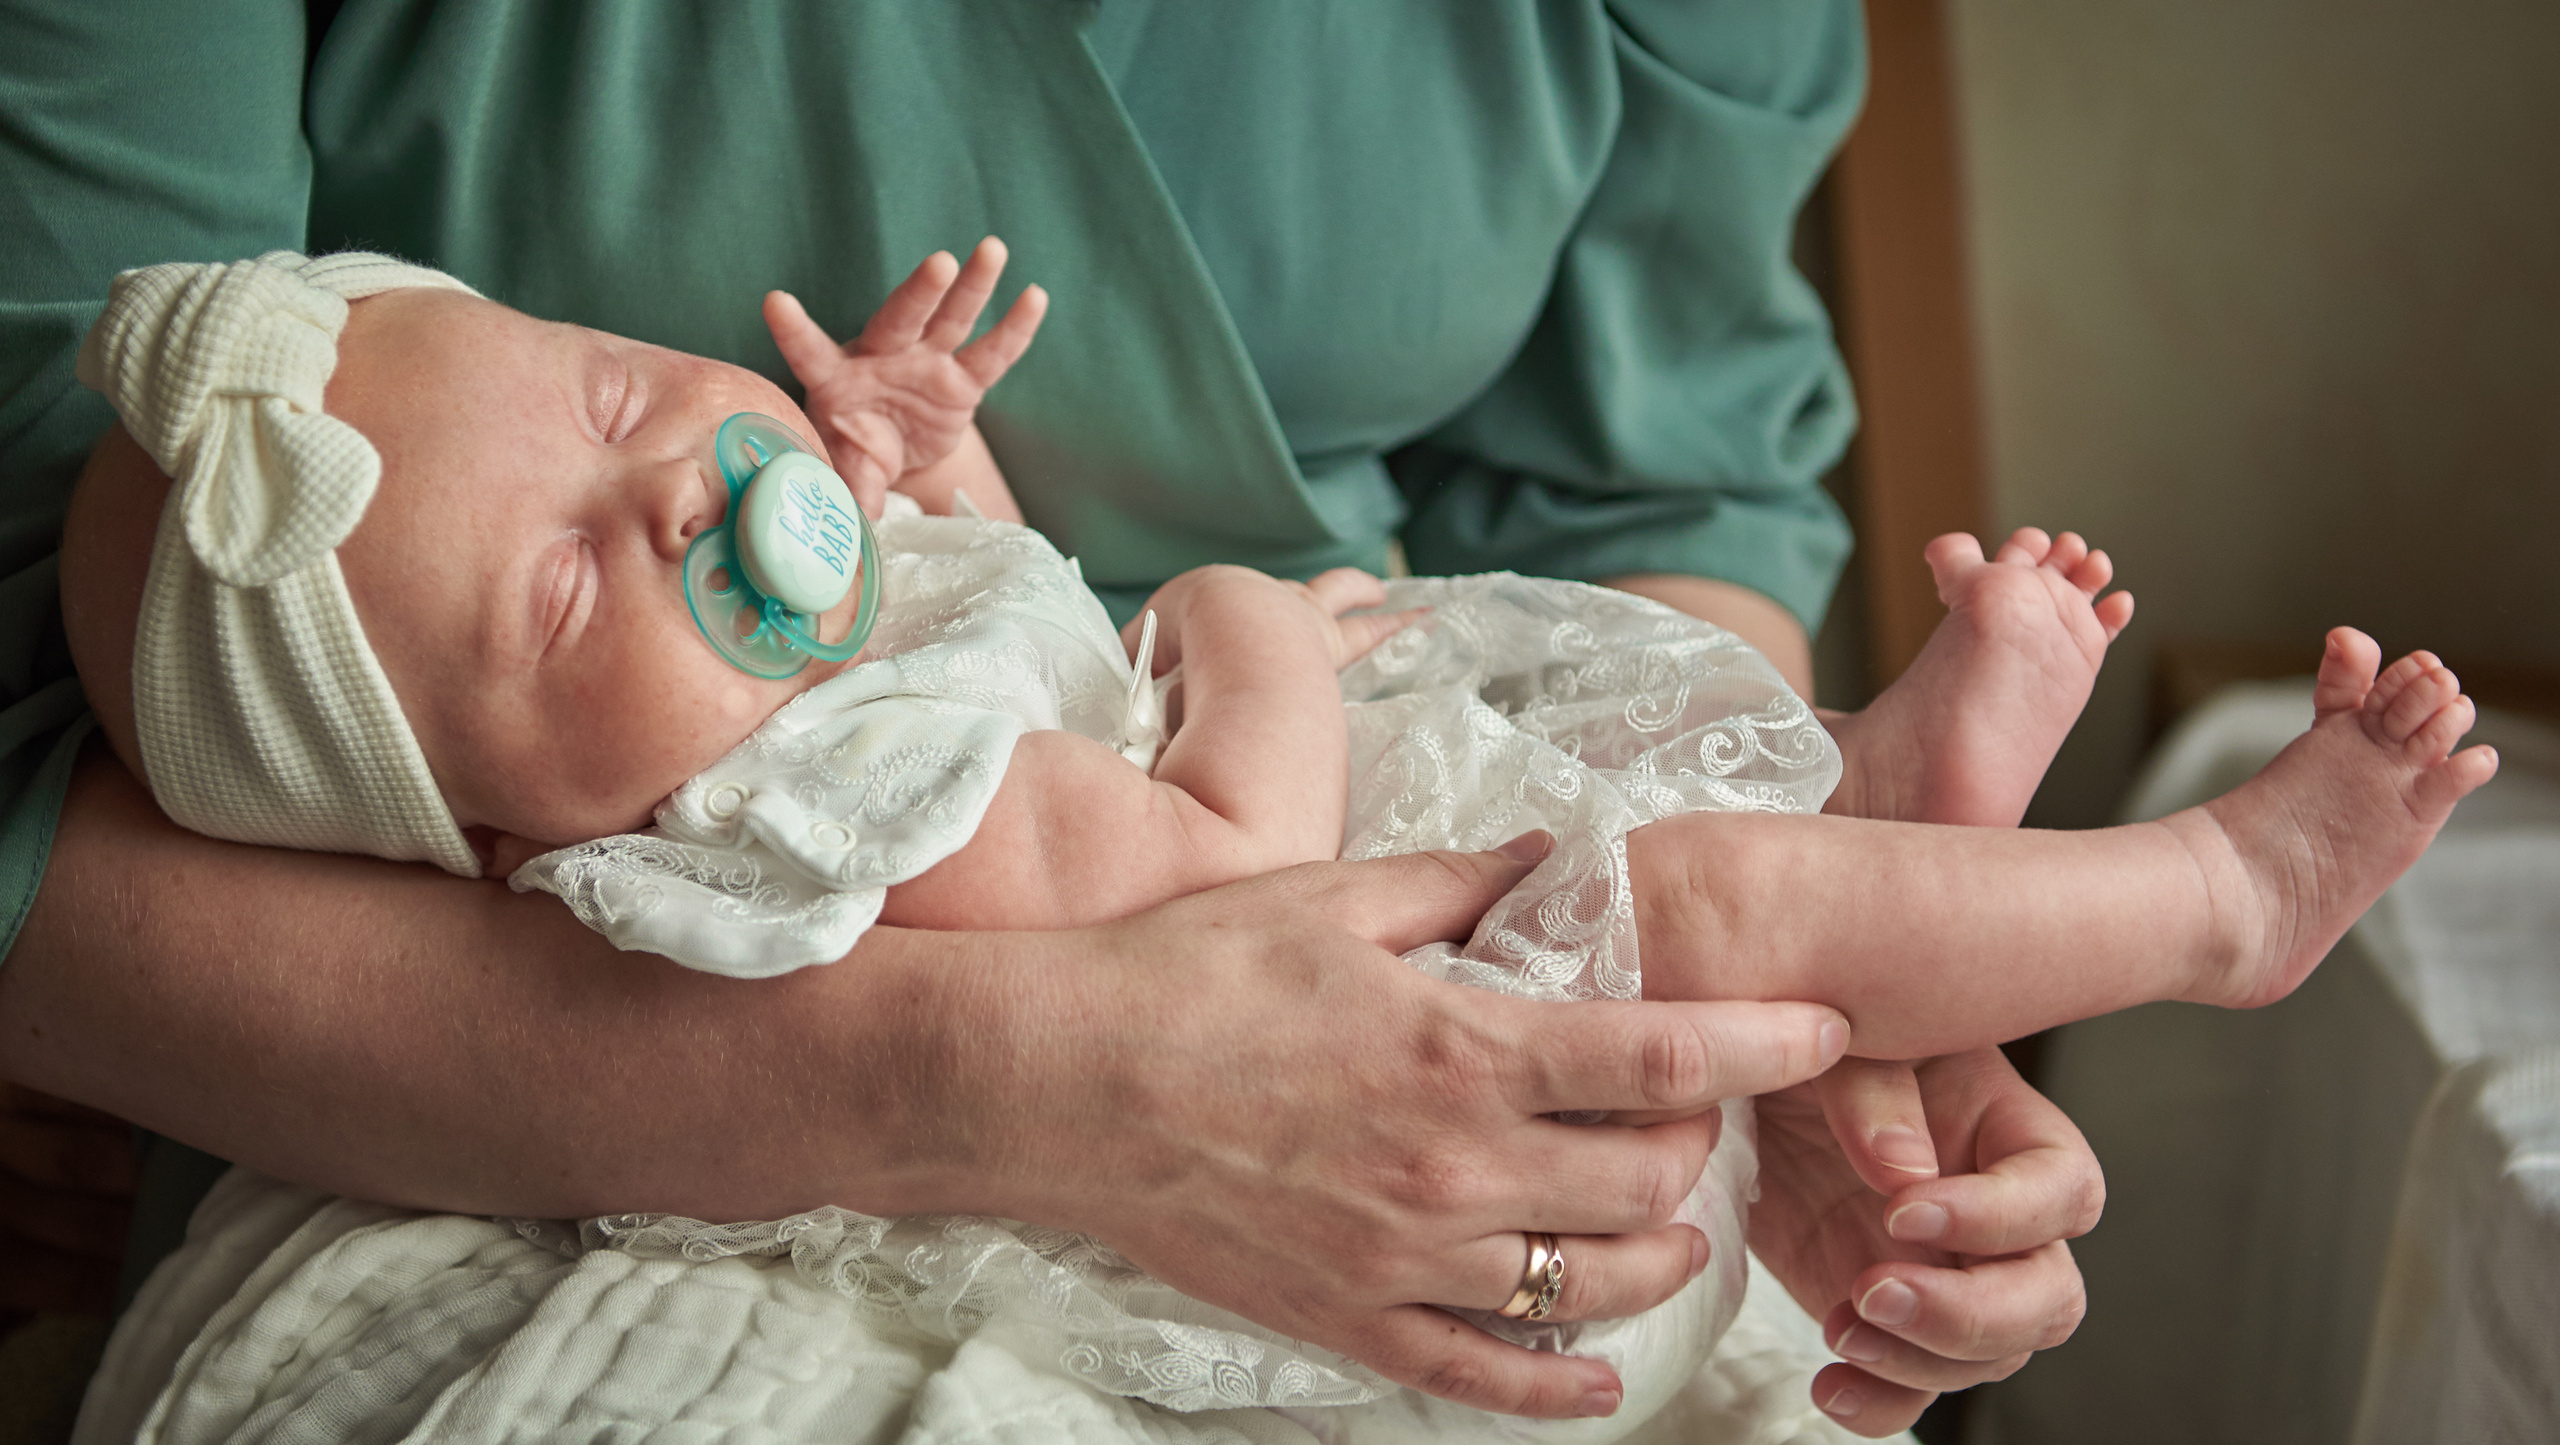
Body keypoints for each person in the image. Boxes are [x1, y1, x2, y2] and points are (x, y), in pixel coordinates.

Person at [0, 3, 2106, 1434]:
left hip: (1417, 764)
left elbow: (1651, 493)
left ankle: (1856, 859)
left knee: (1696, 986)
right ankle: (2152, 890)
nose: (665, 489)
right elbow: (1201, 868)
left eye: (622, 389)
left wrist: (1789, 1051)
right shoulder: (816, 801)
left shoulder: (856, 626)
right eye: (558, 589)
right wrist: (1233, 642)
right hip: (526, 1051)